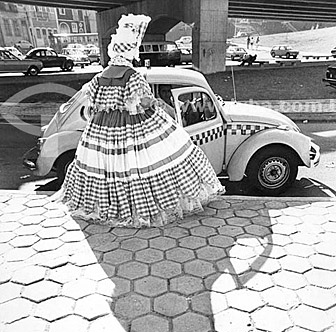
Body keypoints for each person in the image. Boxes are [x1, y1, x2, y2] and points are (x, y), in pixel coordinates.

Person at [52, 13, 224, 228]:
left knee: (108, 168)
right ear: (130, 51)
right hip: (134, 127)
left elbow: (94, 103)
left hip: (102, 129)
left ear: (114, 51)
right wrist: (154, 104)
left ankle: (104, 207)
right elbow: (142, 103)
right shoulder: (132, 76)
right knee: (148, 162)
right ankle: (146, 208)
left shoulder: (99, 77)